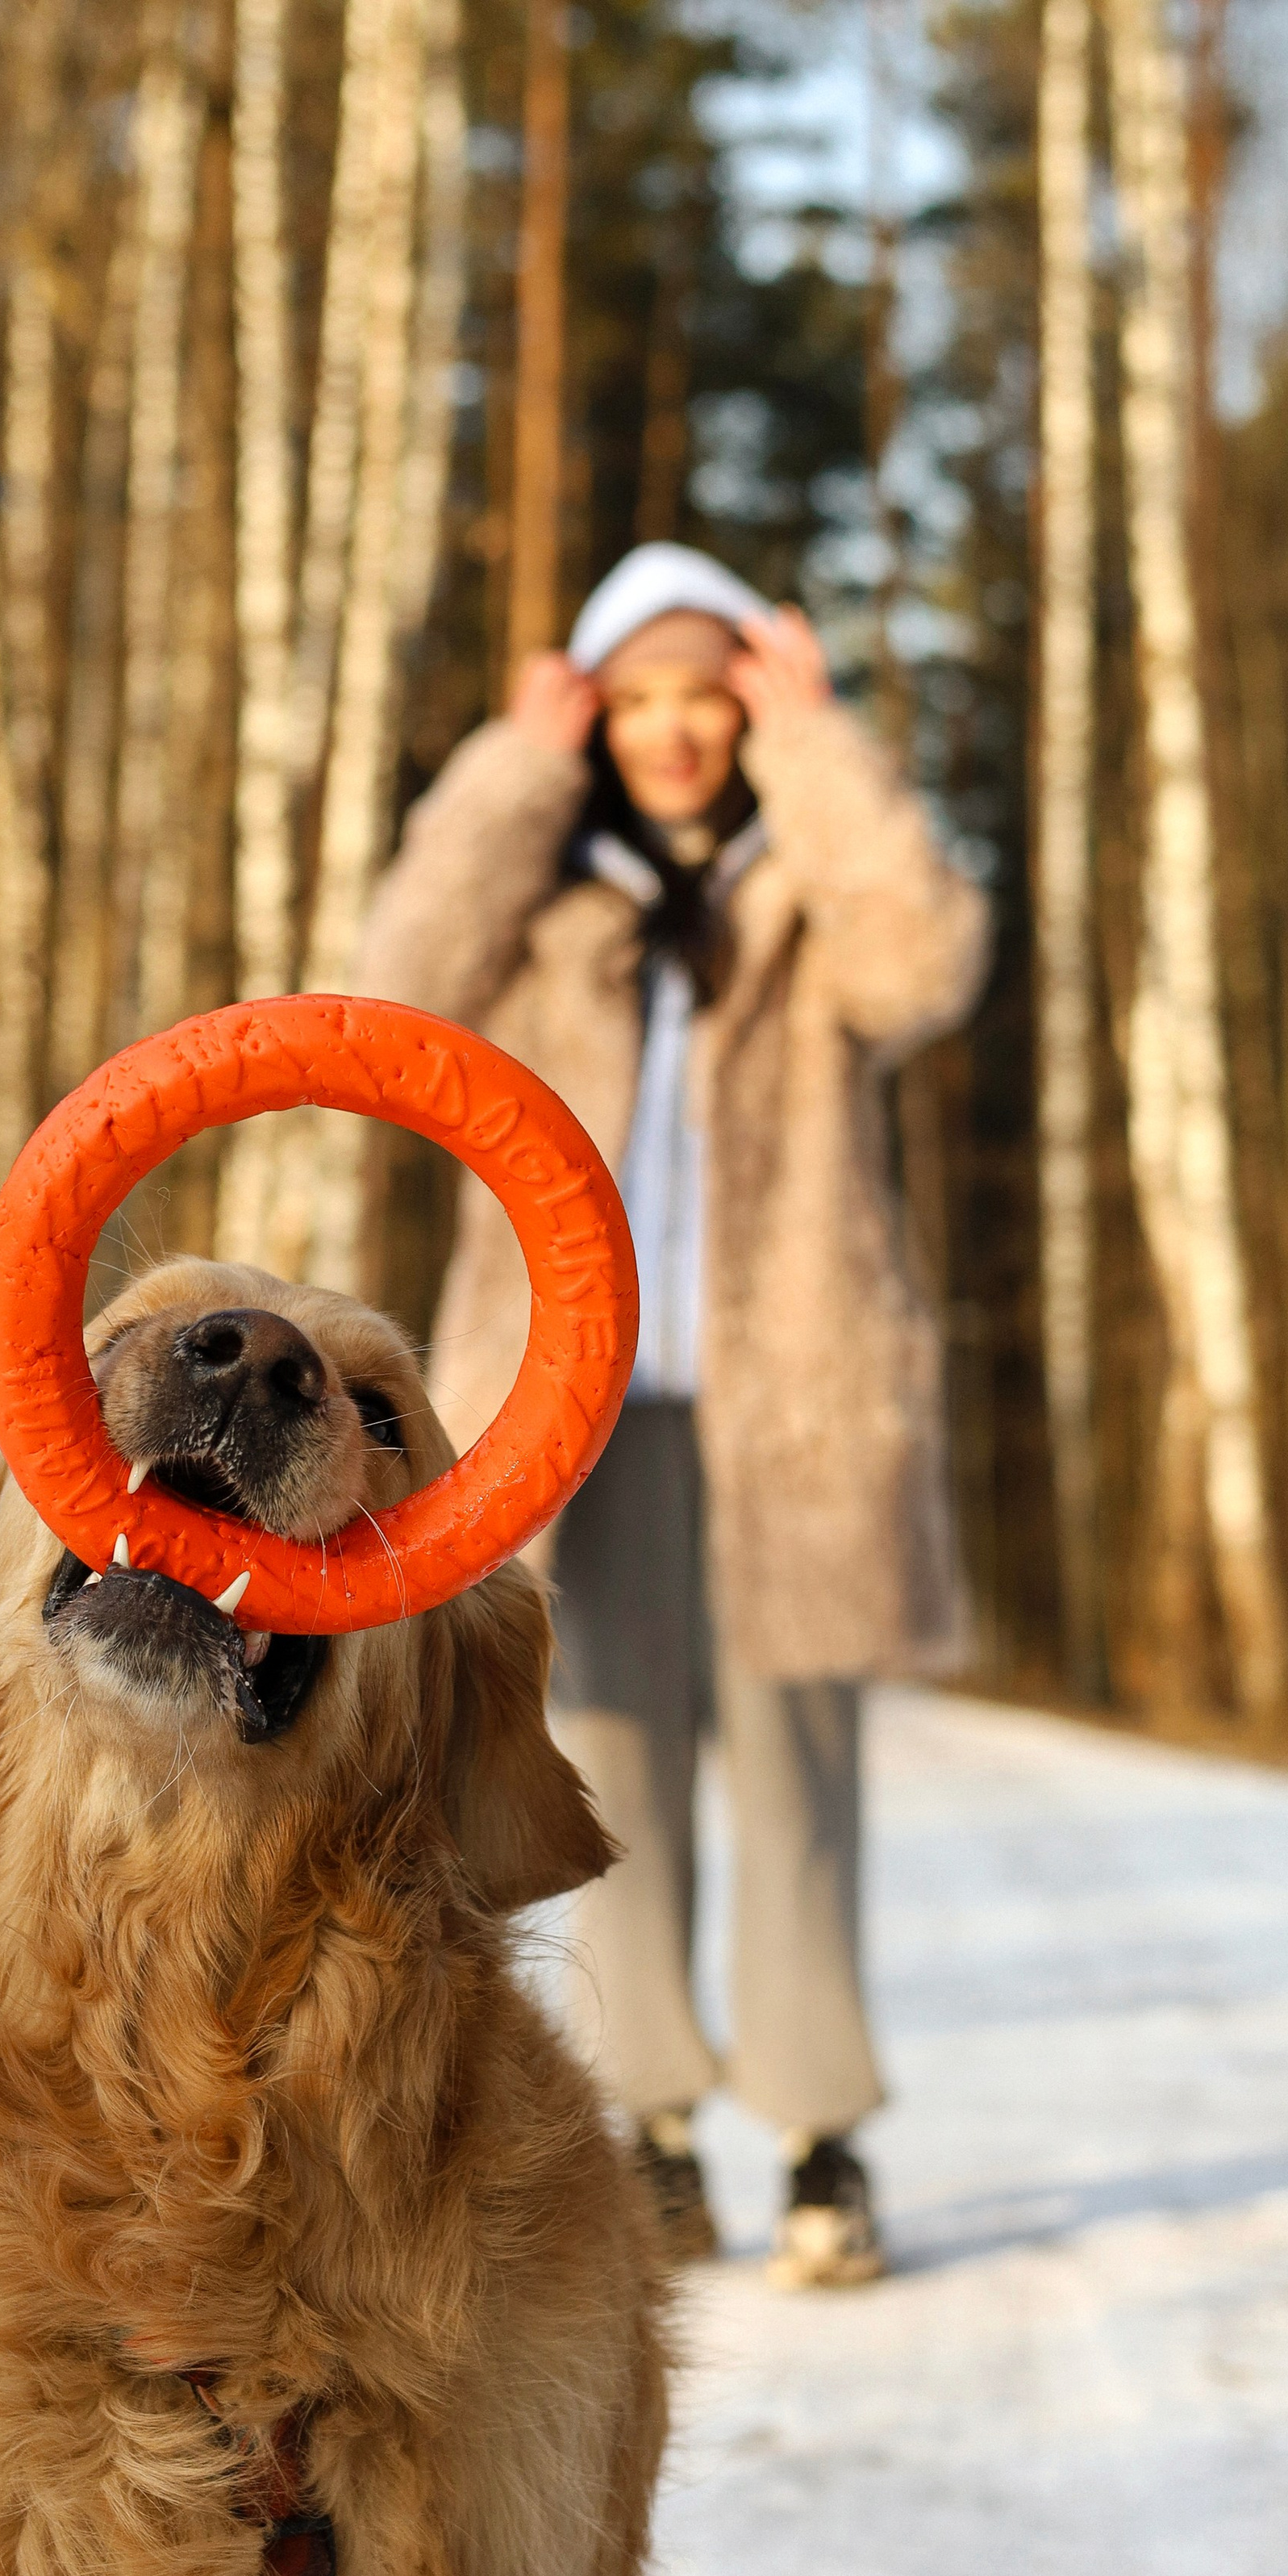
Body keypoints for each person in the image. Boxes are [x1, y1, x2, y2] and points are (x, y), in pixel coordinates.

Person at [353, 543, 989, 2282]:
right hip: (570, 1397)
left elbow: (926, 965)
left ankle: (818, 2133)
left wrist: (822, 754)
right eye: (631, 701)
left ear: (746, 703)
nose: (671, 732)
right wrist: (510, 771)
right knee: (600, 1758)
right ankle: (642, 2126)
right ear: (594, 719)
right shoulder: (546, 902)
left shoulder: (809, 891)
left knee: (799, 1764)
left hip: (787, 1394)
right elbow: (391, 989)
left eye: (702, 695)